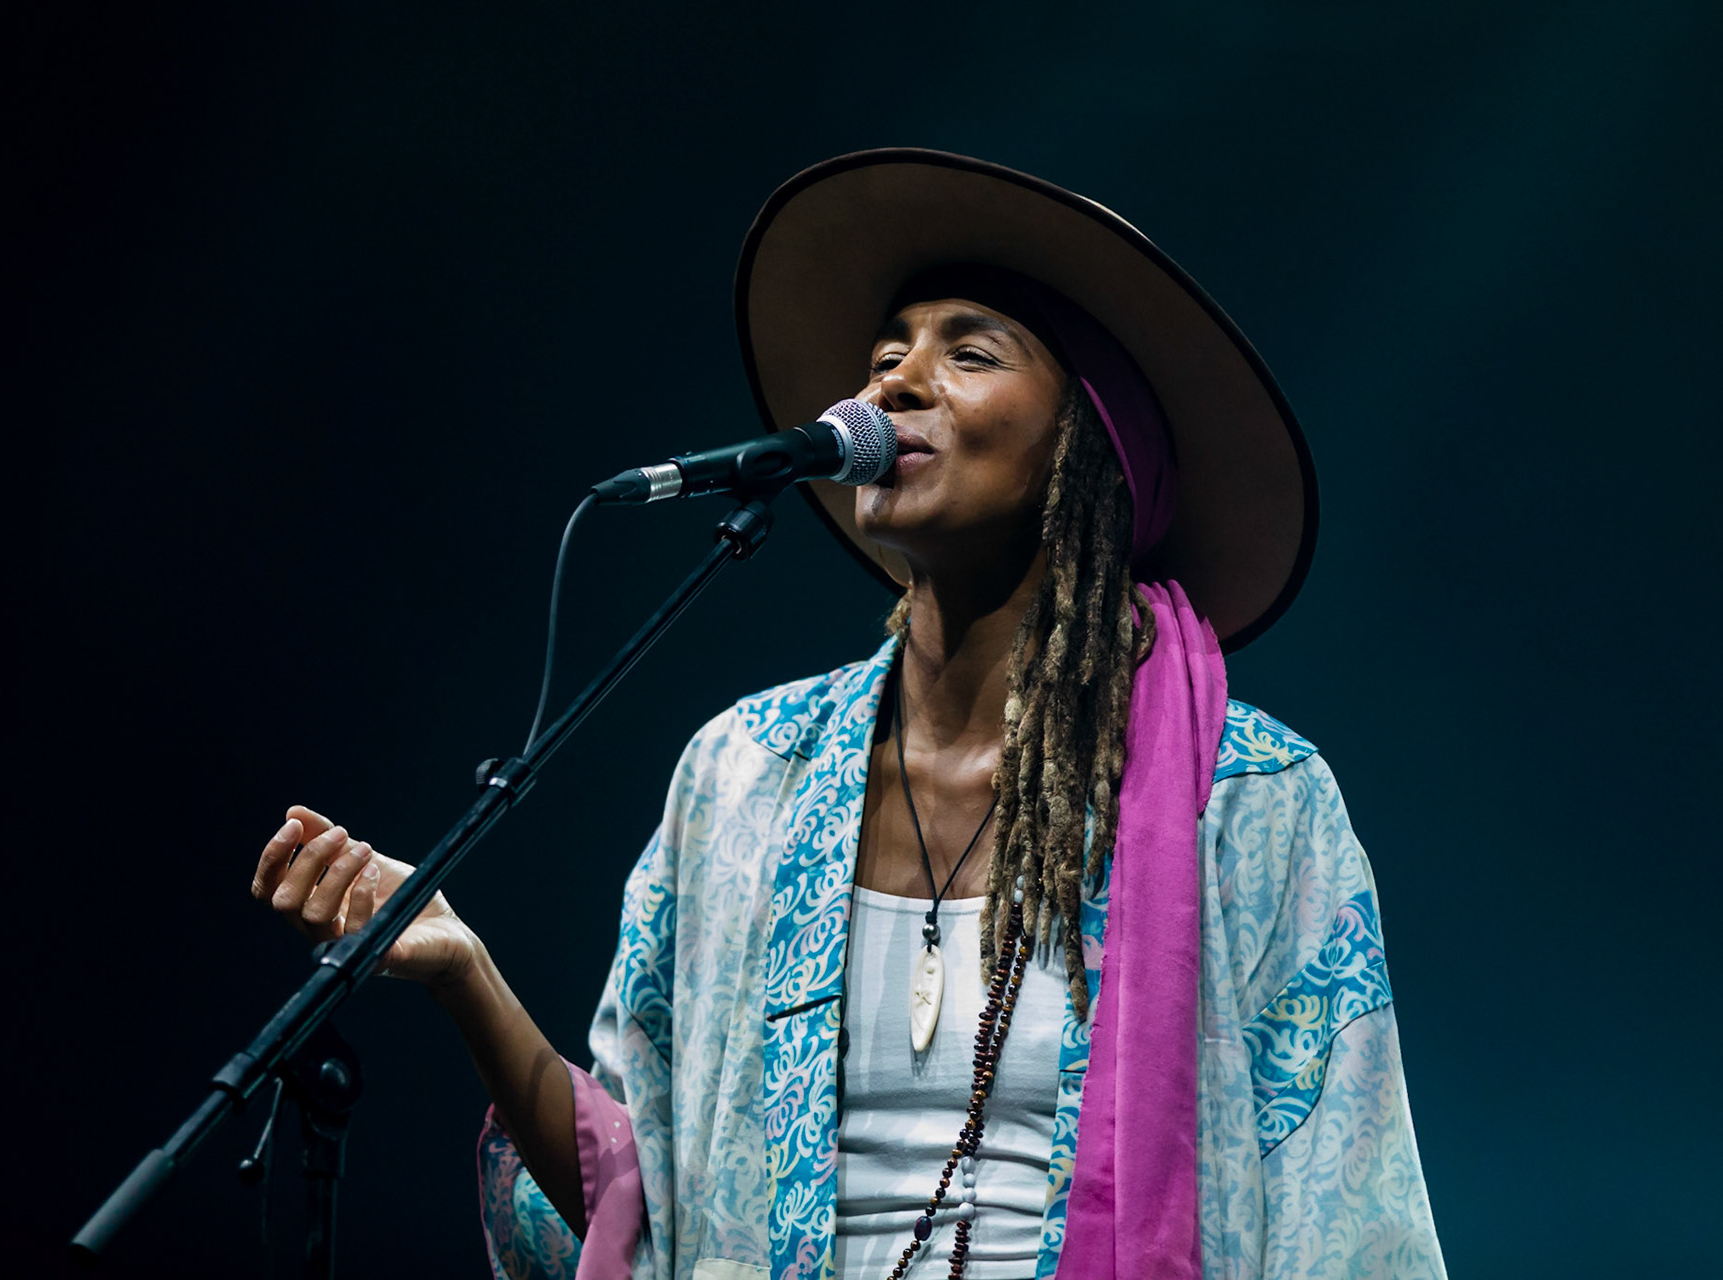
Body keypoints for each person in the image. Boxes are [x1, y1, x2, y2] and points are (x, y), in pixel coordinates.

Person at [250, 151, 1445, 1280]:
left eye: (968, 353)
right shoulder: (745, 774)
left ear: (1094, 445)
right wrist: (466, 974)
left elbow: (1347, 1217)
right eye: (884, 355)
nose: (895, 382)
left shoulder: (1245, 798)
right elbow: (642, 1208)